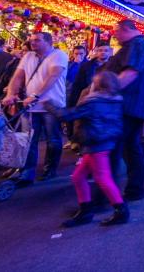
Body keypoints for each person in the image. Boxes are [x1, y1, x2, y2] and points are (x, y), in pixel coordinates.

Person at [43, 71, 128, 227]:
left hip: (95, 144)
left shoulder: (93, 102)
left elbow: (66, 115)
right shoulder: (115, 101)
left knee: (102, 178)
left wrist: (47, 104)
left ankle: (120, 210)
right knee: (79, 176)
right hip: (104, 142)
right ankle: (86, 210)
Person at [3, 32, 68, 184]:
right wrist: (11, 94)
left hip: (51, 105)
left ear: (48, 42)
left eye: (37, 40)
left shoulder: (58, 55)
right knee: (29, 140)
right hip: (30, 105)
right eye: (31, 40)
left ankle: (50, 170)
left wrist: (36, 95)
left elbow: (53, 76)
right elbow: (18, 76)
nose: (33, 43)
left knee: (53, 140)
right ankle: (27, 173)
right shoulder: (28, 56)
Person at [107, 19, 144, 201]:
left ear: (125, 29)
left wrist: (105, 91)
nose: (114, 35)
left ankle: (107, 195)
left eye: (116, 31)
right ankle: (133, 190)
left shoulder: (137, 45)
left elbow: (130, 73)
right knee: (130, 148)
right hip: (136, 106)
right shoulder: (142, 46)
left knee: (115, 149)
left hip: (128, 105)